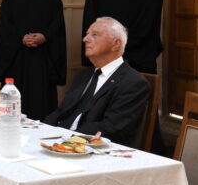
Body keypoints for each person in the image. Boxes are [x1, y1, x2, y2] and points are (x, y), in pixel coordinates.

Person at [44, 17, 150, 147]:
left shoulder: (133, 83)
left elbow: (112, 126)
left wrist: (67, 137)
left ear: (116, 44)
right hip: (61, 141)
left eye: (95, 35)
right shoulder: (83, 75)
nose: (85, 39)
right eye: (87, 34)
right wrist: (42, 130)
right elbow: (61, 111)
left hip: (98, 149)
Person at [0, 0, 67, 120]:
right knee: (15, 102)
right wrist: (20, 38)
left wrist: (44, 36)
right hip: (17, 59)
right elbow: (5, 27)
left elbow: (57, 25)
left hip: (43, 60)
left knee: (42, 104)